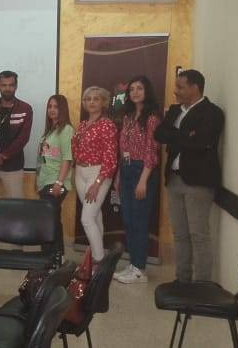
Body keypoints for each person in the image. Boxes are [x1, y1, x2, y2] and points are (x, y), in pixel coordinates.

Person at [154, 69, 224, 283]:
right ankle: (182, 279)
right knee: (180, 233)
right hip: (174, 179)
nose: (175, 91)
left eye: (180, 87)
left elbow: (202, 142)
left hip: (198, 181)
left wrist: (176, 136)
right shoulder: (175, 110)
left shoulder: (212, 112)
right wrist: (187, 134)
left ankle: (201, 284)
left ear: (195, 87)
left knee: (198, 235)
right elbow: (160, 134)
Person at [113, 76, 162, 284]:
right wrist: (119, 175)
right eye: (131, 89)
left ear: (147, 91)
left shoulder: (152, 118)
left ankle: (140, 269)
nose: (135, 92)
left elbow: (152, 151)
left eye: (139, 88)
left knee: (140, 221)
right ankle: (133, 264)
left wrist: (143, 181)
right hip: (126, 170)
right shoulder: (128, 116)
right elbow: (122, 149)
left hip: (143, 172)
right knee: (129, 220)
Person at [0, 70, 33, 221]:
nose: (7, 88)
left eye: (11, 85)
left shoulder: (25, 109)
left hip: (13, 166)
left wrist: (3, 156)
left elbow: (23, 138)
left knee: (16, 209)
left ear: (16, 86)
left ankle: (15, 238)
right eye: (4, 85)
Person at [71, 86, 118, 263]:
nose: (91, 102)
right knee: (95, 216)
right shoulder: (83, 124)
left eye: (96, 99)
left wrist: (97, 183)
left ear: (103, 102)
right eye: (88, 99)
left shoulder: (107, 125)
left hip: (98, 173)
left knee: (87, 219)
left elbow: (110, 158)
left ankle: (99, 262)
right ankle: (96, 257)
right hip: (80, 172)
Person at [35, 94, 74, 263]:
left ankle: (55, 256)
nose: (52, 110)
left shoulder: (66, 130)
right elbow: (43, 158)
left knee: (48, 219)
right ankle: (52, 256)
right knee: (49, 218)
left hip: (56, 182)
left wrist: (59, 182)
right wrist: (37, 180)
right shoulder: (49, 130)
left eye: (56, 107)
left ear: (63, 109)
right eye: (50, 106)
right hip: (45, 181)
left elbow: (67, 159)